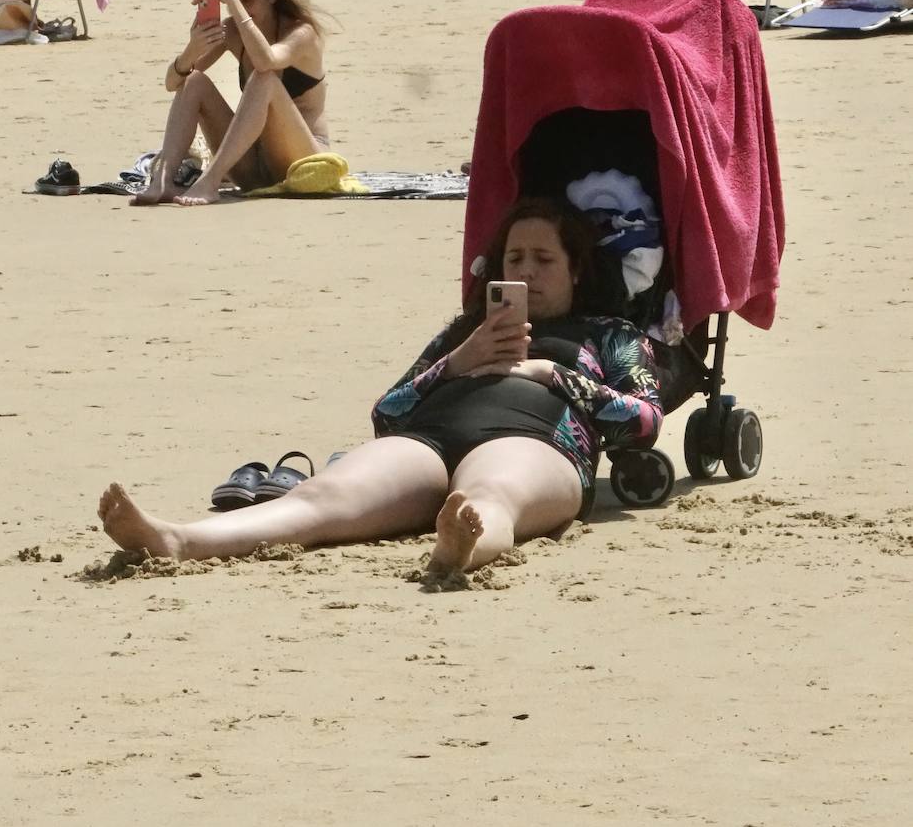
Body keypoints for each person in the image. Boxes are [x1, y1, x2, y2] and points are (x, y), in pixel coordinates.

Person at [98, 198, 663, 574]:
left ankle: (460, 551)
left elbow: (645, 419)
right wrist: (458, 360)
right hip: (429, 438)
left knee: (491, 497)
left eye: (544, 259)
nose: (528, 271)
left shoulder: (609, 334)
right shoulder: (465, 331)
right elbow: (387, 413)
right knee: (318, 500)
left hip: (535, 440)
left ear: (577, 269)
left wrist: (552, 374)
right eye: (515, 257)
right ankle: (180, 540)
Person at [133, 0, 328, 207]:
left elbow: (266, 60)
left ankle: (210, 180)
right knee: (194, 81)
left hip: (304, 164)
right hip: (254, 168)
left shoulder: (301, 33)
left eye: (248, 1)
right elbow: (173, 83)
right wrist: (192, 49)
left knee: (264, 78)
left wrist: (235, 6)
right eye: (232, 1)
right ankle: (163, 179)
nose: (240, 11)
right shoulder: (233, 32)